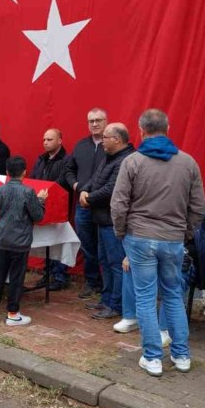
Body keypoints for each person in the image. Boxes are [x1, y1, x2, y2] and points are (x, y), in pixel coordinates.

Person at [111, 109, 205, 377]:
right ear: (168, 128)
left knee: (145, 297)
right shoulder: (188, 163)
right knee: (173, 295)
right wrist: (184, 232)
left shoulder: (132, 162)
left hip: (139, 237)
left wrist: (122, 233)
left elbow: (118, 205)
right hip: (173, 239)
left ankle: (152, 357)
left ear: (140, 130)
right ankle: (181, 354)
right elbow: (199, 207)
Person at [0, 156, 47, 325]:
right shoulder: (29, 192)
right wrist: (41, 200)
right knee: (16, 277)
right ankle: (13, 313)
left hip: (4, 237)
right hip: (21, 241)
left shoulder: (0, 190)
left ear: (7, 172)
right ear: (25, 172)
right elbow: (37, 215)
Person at [80, 122, 136, 321]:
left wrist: (89, 198)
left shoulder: (125, 160)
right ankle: (106, 298)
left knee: (115, 263)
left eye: (105, 137)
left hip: (113, 222)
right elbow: (95, 179)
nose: (101, 140)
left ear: (117, 139)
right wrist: (84, 190)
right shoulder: (109, 157)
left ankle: (116, 304)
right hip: (101, 218)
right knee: (104, 261)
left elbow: (112, 189)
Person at [65, 108, 108, 299]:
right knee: (87, 245)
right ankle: (92, 282)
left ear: (106, 121)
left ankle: (108, 286)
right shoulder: (80, 146)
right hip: (82, 206)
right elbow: (68, 169)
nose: (95, 124)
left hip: (105, 205)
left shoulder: (112, 146)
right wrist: (75, 185)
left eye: (98, 120)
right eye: (91, 121)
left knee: (105, 246)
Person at [30, 128, 70, 290]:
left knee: (58, 242)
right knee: (46, 240)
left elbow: (62, 183)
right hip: (41, 206)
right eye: (44, 140)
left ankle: (59, 276)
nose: (46, 142)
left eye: (50, 140)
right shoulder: (40, 160)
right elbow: (33, 179)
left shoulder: (67, 160)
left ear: (60, 141)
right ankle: (48, 274)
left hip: (57, 207)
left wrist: (47, 192)